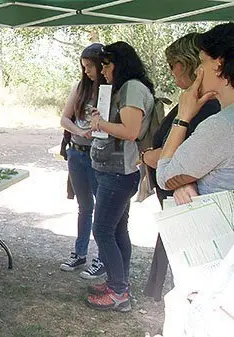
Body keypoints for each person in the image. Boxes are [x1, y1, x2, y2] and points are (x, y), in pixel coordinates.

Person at [142, 33, 220, 301]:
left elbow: (170, 166)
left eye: (174, 63)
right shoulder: (193, 103)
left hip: (194, 209)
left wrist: (149, 157)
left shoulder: (210, 112)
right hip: (180, 203)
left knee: (194, 286)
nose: (171, 70)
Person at [86, 41, 155, 312]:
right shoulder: (127, 89)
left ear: (120, 64)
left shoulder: (132, 88)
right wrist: (101, 119)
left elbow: (131, 131)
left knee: (102, 229)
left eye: (107, 65)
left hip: (119, 173)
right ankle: (119, 283)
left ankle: (118, 292)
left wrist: (99, 124)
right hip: (114, 172)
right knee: (117, 230)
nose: (103, 71)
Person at [157, 22, 234, 204]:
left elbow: (165, 176)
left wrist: (182, 117)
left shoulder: (221, 126)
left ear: (219, 64)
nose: (198, 70)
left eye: (202, 62)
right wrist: (188, 182)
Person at [57, 43, 107, 280]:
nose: (86, 71)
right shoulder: (80, 87)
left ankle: (103, 258)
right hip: (77, 153)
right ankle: (80, 252)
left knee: (103, 209)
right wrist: (79, 130)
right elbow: (64, 119)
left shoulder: (109, 90)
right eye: (84, 66)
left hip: (99, 156)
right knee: (84, 206)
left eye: (90, 66)